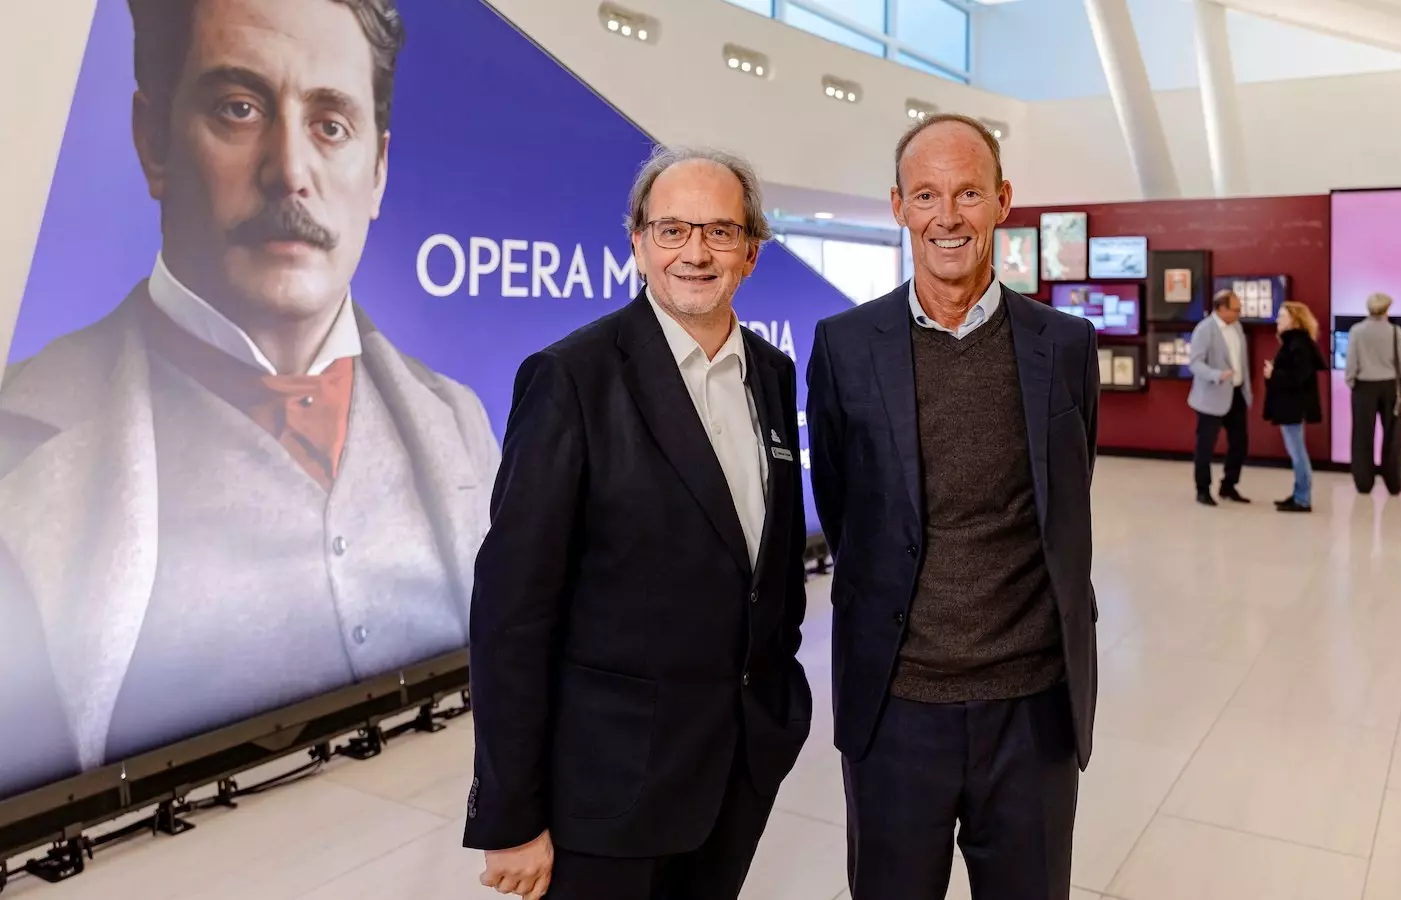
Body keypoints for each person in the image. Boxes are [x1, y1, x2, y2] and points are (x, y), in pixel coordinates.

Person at [0, 0, 499, 781]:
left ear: (378, 173)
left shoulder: (460, 422)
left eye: (331, 125)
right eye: (239, 108)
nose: (291, 171)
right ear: (151, 142)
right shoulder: (16, 443)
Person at [465, 146, 812, 900]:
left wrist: (780, 716)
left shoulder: (773, 374)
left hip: (735, 770)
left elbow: (768, 575)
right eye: (672, 230)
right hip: (605, 794)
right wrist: (510, 811)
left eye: (720, 232)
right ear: (638, 243)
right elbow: (511, 613)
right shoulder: (571, 379)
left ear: (751, 252)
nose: (695, 252)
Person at [808, 113, 1099, 900]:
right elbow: (845, 507)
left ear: (1003, 201)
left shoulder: (1064, 346)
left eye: (969, 192)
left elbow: (1068, 499)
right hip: (896, 706)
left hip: (1033, 707)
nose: (948, 216)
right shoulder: (844, 345)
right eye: (927, 194)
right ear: (897, 205)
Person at [1188, 289, 1253, 506]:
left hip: (1236, 394)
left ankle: (1229, 485)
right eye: (1235, 309)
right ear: (1221, 309)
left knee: (1240, 443)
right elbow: (1195, 363)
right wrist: (1216, 375)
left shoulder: (1238, 328)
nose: (1239, 313)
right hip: (1211, 397)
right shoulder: (1205, 329)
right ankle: (1203, 489)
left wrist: (1247, 390)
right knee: (1205, 446)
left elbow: (1242, 362)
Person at [1262, 301, 1327, 513]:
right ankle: (1299, 494)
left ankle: (1302, 498)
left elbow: (1297, 377)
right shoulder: (1295, 343)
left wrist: (1274, 374)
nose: (1277, 320)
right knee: (1296, 451)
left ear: (1295, 320)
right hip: (1292, 405)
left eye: (1282, 316)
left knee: (1297, 452)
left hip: (1293, 406)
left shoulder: (1298, 345)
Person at [1345, 291, 1401, 495]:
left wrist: (1351, 381)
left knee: (1362, 435)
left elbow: (1351, 362)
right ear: (1387, 309)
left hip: (1364, 387)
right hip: (1390, 386)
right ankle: (1394, 482)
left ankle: (1363, 482)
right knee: (1393, 435)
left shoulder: (1356, 331)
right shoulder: (1394, 331)